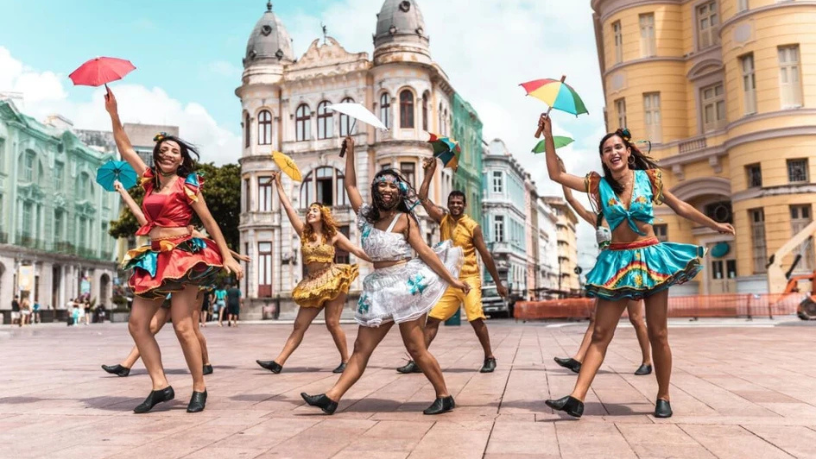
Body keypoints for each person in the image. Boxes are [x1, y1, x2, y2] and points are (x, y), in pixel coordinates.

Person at [538, 115, 734, 419]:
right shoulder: (598, 185)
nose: (613, 152)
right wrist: (548, 135)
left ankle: (663, 395)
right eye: (607, 150)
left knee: (659, 334)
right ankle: (576, 398)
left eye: (618, 147)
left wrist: (714, 224)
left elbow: (680, 206)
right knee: (600, 333)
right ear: (603, 158)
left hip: (651, 258)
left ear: (628, 151)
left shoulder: (649, 179)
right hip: (617, 262)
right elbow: (556, 174)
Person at [300, 136, 469, 416]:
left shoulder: (405, 220)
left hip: (405, 286)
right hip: (378, 289)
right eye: (383, 184)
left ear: (400, 192)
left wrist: (452, 280)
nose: (388, 189)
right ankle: (331, 398)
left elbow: (425, 252)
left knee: (415, 348)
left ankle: (444, 395)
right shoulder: (366, 216)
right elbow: (350, 185)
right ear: (375, 188)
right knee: (360, 348)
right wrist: (351, 152)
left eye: (393, 185)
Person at [105, 86, 243, 414]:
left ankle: (199, 387)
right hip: (155, 257)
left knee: (183, 326)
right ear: (156, 155)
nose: (168, 154)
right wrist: (114, 114)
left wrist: (226, 256)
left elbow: (208, 221)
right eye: (163, 150)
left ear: (181, 160)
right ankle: (160, 385)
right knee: (137, 324)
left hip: (183, 256)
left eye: (174, 152)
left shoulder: (187, 185)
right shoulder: (149, 181)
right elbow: (125, 147)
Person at [396, 157, 507, 375]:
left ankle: (489, 357)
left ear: (464, 205)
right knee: (433, 320)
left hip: (469, 279)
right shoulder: (443, 219)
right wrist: (430, 172)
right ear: (448, 205)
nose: (455, 205)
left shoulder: (472, 227)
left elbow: (485, 255)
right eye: (452, 202)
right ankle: (418, 360)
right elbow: (423, 198)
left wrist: (498, 283)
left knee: (476, 319)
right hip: (449, 280)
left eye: (459, 203)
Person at [256, 171, 370, 374]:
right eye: (308, 211)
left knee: (332, 323)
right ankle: (278, 362)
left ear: (322, 215)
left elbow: (356, 250)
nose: (310, 213)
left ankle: (346, 360)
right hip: (312, 283)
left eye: (314, 210)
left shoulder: (333, 236)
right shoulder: (304, 234)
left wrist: (381, 260)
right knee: (299, 324)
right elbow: (289, 208)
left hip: (333, 280)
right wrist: (279, 185)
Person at [553, 158, 652, 376]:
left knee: (636, 318)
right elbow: (571, 199)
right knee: (595, 318)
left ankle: (647, 360)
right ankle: (578, 359)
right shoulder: (596, 219)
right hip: (608, 272)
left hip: (630, 268)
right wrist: (563, 174)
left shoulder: (624, 214)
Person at [102, 291, 218, 377]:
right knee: (151, 327)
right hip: (168, 285)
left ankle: (206, 364)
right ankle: (126, 365)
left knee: (192, 329)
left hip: (189, 284)